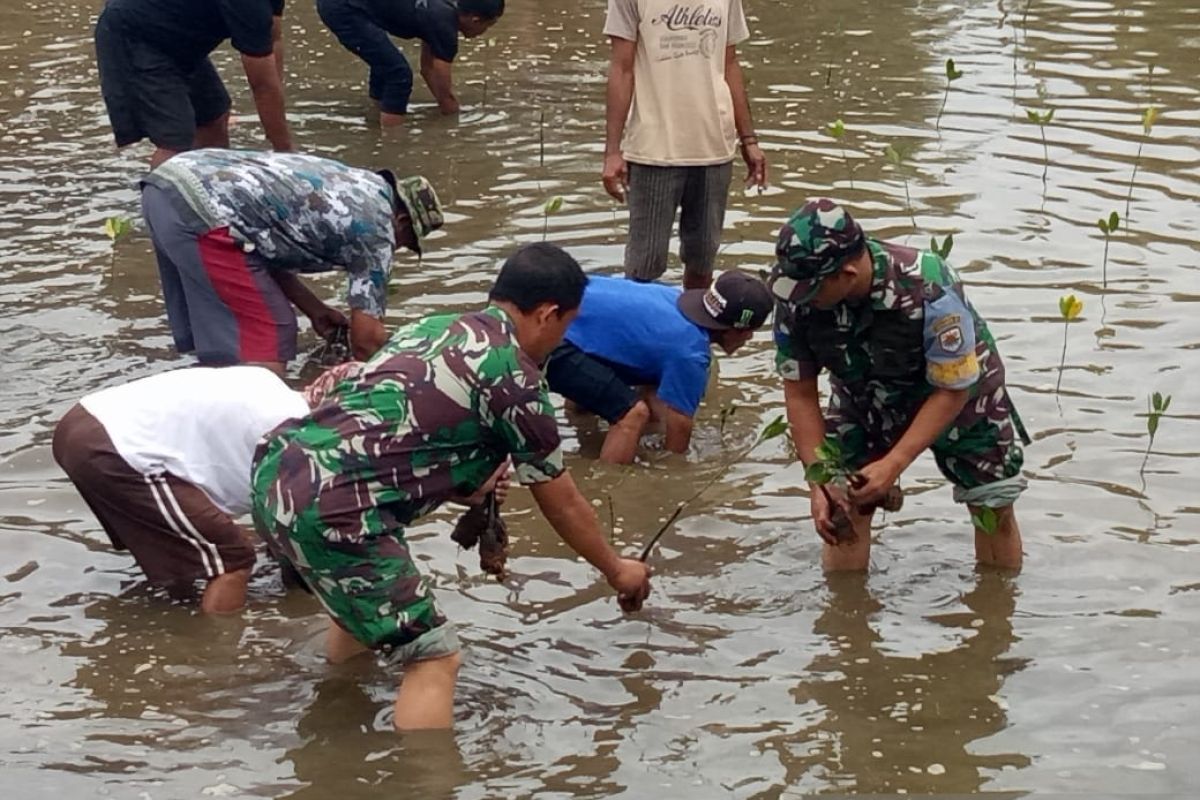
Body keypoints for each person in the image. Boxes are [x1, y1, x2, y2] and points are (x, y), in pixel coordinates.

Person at [250, 243, 653, 731]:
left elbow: (383, 419)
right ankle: (427, 780)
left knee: (357, 611)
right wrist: (617, 571)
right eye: (567, 324)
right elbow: (563, 503)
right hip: (339, 511)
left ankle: (338, 734)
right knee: (435, 656)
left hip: (279, 476)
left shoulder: (435, 326)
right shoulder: (515, 379)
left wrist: (463, 482)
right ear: (548, 314)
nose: (563, 335)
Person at [770, 199, 1031, 572]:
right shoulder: (795, 292)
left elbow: (952, 389)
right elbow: (798, 393)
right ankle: (846, 623)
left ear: (845, 274)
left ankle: (994, 614)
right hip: (862, 391)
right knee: (843, 507)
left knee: (992, 506)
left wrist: (894, 463)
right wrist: (820, 481)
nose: (799, 300)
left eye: (810, 291)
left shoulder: (928, 283)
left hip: (960, 394)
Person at [51, 364, 357, 614]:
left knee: (185, 539)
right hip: (114, 450)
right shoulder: (296, 435)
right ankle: (215, 657)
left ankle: (163, 613)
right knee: (233, 558)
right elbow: (292, 525)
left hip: (82, 421)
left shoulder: (268, 382)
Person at [139, 148, 444, 374]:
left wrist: (315, 309)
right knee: (272, 332)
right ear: (402, 219)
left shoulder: (356, 183)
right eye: (407, 241)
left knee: (225, 341)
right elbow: (367, 341)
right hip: (206, 213)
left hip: (168, 185)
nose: (397, 248)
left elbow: (260, 249)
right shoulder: (378, 227)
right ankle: (256, 440)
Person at [601, 0, 768, 290]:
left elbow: (729, 63)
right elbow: (622, 68)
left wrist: (749, 139)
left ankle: (698, 333)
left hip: (714, 144)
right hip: (653, 149)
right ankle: (643, 334)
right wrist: (613, 151)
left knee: (702, 261)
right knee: (644, 267)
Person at [544, 271, 773, 463]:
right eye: (751, 331)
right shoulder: (690, 352)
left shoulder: (671, 298)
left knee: (620, 390)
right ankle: (608, 487)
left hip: (546, 314)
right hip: (552, 341)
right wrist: (671, 471)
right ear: (738, 330)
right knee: (632, 415)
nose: (750, 338)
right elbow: (680, 426)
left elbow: (657, 390)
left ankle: (580, 425)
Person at [94, 0, 293, 168]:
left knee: (213, 116)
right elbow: (262, 85)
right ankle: (161, 209)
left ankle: (210, 192)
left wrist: (277, 92)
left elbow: (273, 39)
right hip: (134, 35)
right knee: (175, 142)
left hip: (176, 38)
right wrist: (286, 153)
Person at [317, 0, 504, 125]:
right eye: (489, 26)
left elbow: (427, 69)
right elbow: (440, 77)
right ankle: (393, 144)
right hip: (343, 9)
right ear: (475, 19)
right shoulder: (444, 24)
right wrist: (453, 118)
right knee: (398, 74)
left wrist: (445, 105)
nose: (484, 32)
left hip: (345, 5)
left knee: (386, 63)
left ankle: (376, 117)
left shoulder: (443, 11)